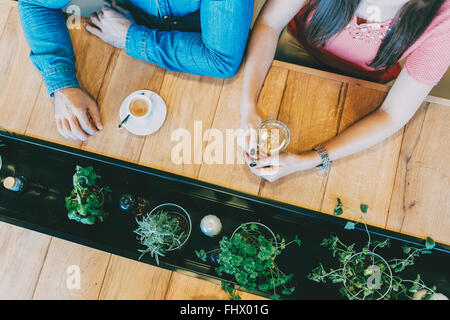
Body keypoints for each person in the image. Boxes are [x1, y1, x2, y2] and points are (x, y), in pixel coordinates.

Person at [240, 0, 449, 181]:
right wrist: (248, 106)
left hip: (364, 85)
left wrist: (308, 161)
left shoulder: (445, 19)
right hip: (295, 47)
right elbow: (270, 23)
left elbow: (393, 114)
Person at [19, 0, 254, 141]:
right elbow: (33, 2)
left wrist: (130, 37)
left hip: (202, 39)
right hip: (127, 31)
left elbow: (220, 60)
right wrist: (62, 85)